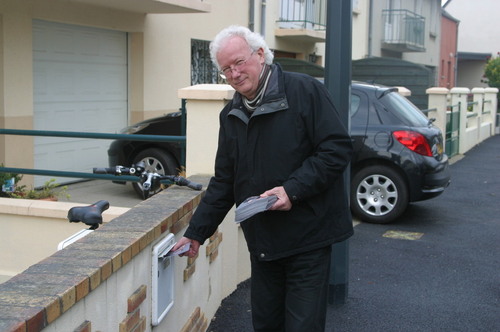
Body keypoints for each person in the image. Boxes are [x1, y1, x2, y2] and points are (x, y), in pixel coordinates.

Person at [172, 25, 353, 331]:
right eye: (226, 68)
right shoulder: (231, 113)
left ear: (260, 54)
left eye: (239, 62)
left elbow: (336, 149)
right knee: (266, 325)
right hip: (264, 242)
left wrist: (292, 190)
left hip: (308, 238)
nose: (234, 73)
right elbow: (225, 181)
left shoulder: (304, 91)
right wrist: (196, 233)